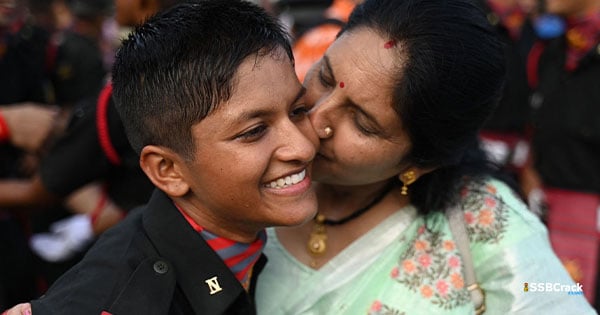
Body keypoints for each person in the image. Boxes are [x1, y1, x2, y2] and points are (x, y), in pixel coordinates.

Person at [255, 0, 595, 313]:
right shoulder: (240, 158)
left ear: (420, 161)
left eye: (362, 123)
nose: (316, 119)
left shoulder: (487, 223)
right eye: (325, 77)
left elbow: (555, 293)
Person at [2, 0, 319, 314]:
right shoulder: (127, 301)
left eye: (299, 110)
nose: (303, 147)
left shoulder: (240, 237)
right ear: (168, 170)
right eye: (254, 131)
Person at [522, 0, 600, 307]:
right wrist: (531, 170)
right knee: (540, 299)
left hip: (590, 223)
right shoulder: (551, 49)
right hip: (545, 215)